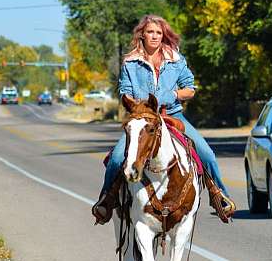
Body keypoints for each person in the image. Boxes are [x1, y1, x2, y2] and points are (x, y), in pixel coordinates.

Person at [91, 15, 236, 225]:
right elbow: (125, 93)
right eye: (150, 32)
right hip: (143, 119)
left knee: (207, 154)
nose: (155, 36)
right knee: (115, 159)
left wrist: (173, 95)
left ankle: (219, 196)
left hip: (172, 115)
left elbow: (190, 89)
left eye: (158, 33)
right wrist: (140, 106)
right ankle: (106, 200)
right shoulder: (131, 62)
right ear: (142, 34)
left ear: (163, 35)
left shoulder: (176, 60)